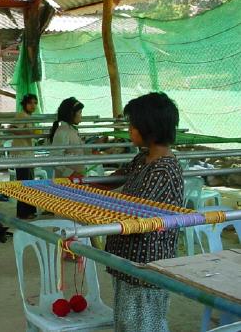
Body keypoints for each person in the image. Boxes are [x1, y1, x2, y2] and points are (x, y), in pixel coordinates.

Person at [105, 92, 183, 332]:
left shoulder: (163, 169)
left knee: (145, 324)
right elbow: (118, 177)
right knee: (126, 320)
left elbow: (136, 212)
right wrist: (80, 185)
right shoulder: (143, 158)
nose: (129, 129)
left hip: (147, 262)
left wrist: (93, 209)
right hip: (128, 258)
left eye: (133, 125)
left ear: (150, 128)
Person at [10, 94, 38, 219]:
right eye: (30, 103)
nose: (33, 105)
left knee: (29, 182)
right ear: (24, 104)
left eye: (35, 103)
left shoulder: (28, 117)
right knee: (24, 182)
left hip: (27, 154)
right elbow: (11, 128)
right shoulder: (22, 115)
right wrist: (27, 133)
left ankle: (30, 210)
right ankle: (23, 213)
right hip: (22, 155)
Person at [48, 97, 87, 179]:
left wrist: (93, 149)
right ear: (71, 113)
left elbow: (75, 151)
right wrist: (70, 173)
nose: (81, 116)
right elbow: (54, 158)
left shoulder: (72, 129)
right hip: (66, 181)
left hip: (77, 178)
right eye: (80, 112)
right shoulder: (62, 132)